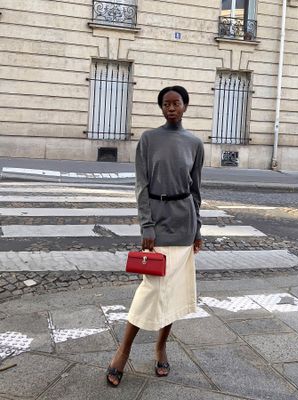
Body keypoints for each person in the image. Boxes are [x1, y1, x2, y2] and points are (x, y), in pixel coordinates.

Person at [106, 85, 204, 387]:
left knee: (173, 291)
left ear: (185, 106)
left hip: (185, 223)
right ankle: (123, 351)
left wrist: (198, 228)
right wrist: (146, 226)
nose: (171, 108)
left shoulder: (195, 143)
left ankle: (161, 347)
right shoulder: (149, 139)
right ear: (161, 108)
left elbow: (196, 189)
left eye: (176, 103)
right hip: (158, 223)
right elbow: (141, 185)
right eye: (166, 104)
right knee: (151, 289)